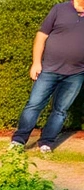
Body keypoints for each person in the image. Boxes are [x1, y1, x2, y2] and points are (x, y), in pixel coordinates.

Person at [9, 0, 84, 153]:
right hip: (49, 69)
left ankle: (46, 142)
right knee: (34, 105)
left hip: (76, 74)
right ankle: (19, 140)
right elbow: (41, 36)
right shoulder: (60, 9)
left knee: (60, 110)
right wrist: (36, 62)